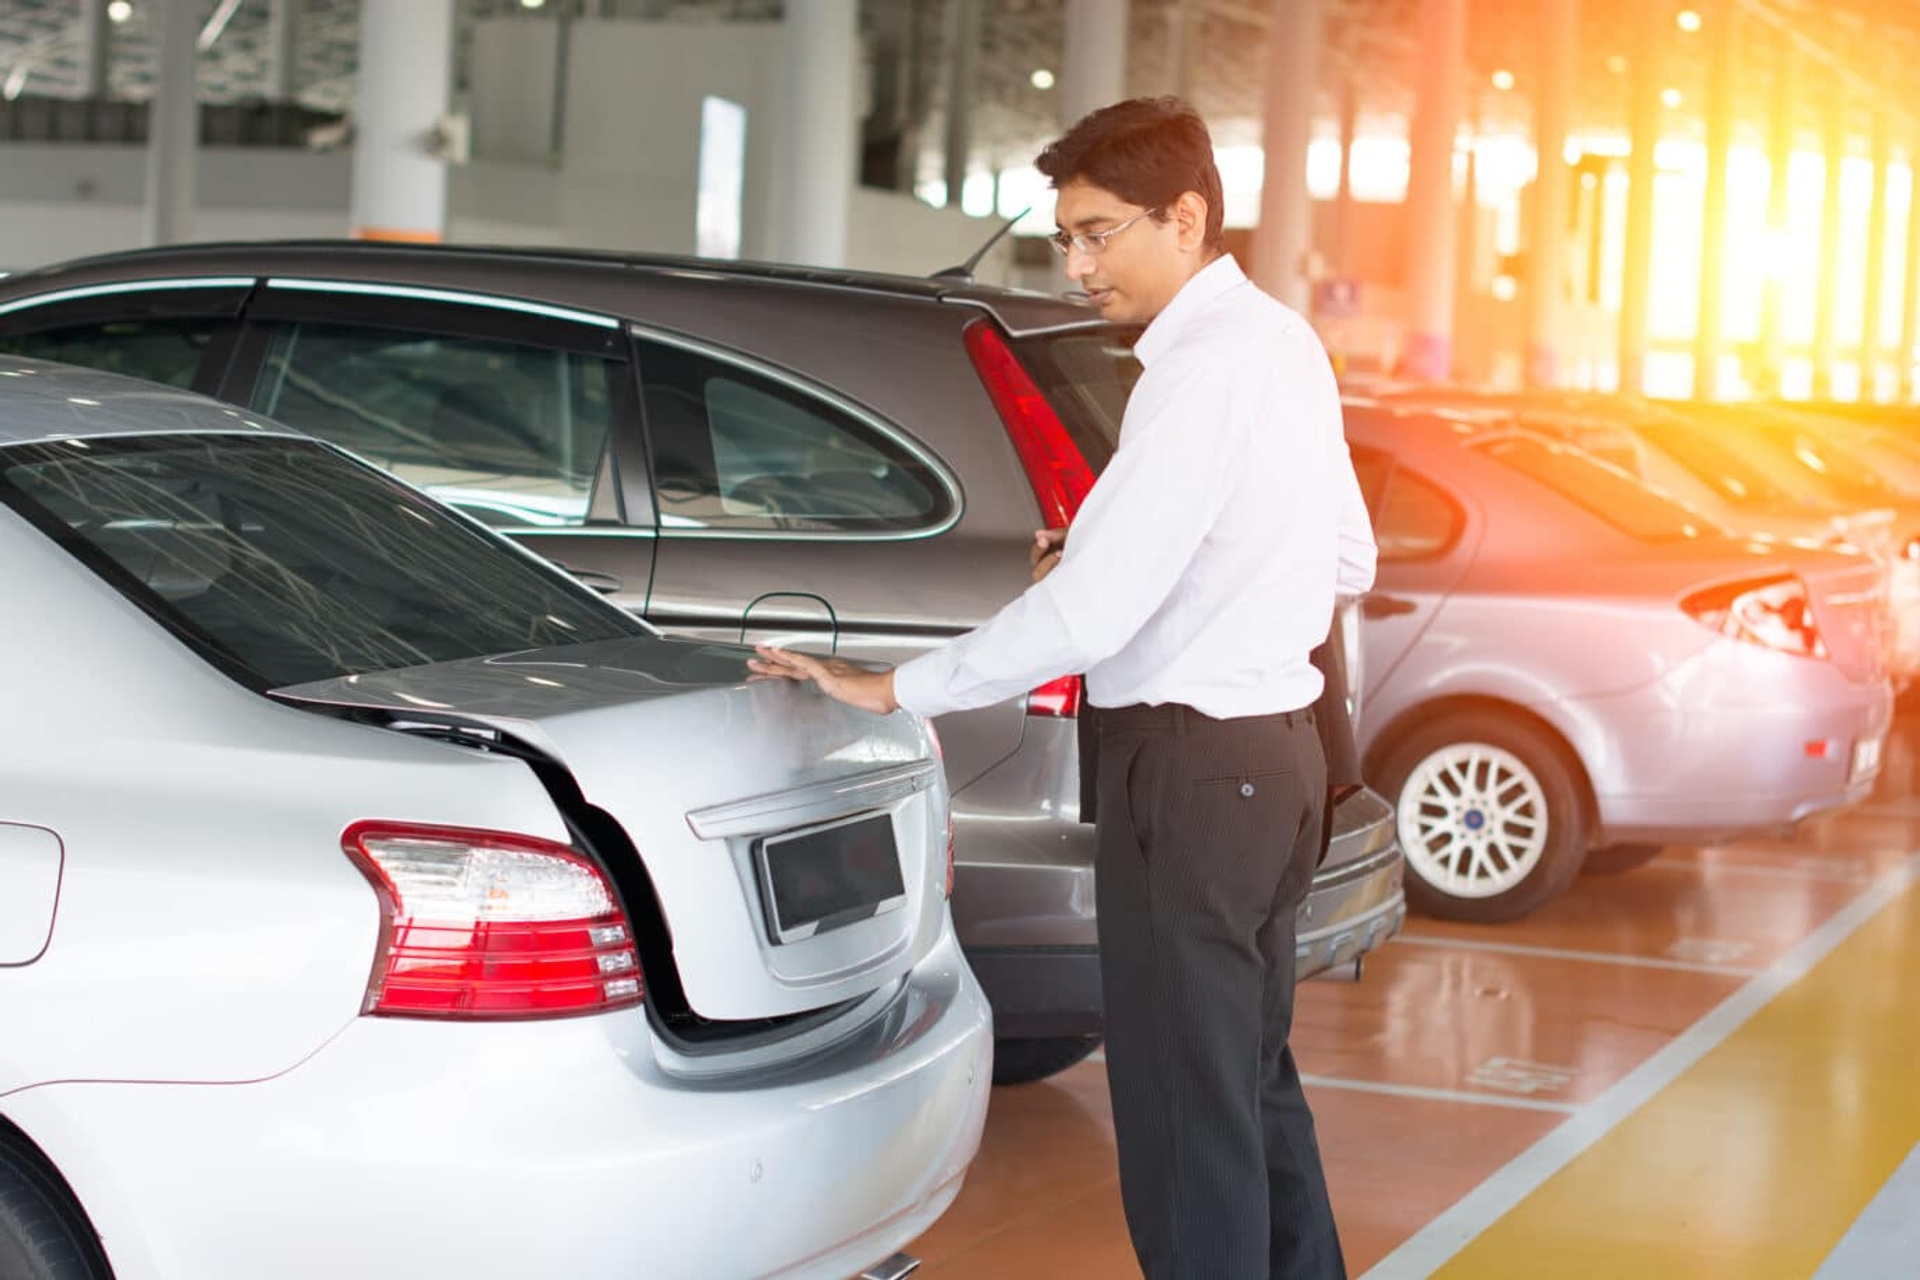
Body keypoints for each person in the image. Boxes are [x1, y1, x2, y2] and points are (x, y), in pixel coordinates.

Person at [749, 95, 1376, 1280]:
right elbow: (1350, 560)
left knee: (1188, 1124)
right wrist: (1128, 565)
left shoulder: (1194, 372)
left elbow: (1091, 616)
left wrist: (896, 687)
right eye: (1065, 241)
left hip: (1192, 772)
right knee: (1245, 1087)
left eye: (1098, 234)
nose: (1079, 265)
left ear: (1184, 217)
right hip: (1277, 765)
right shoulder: (1283, 342)